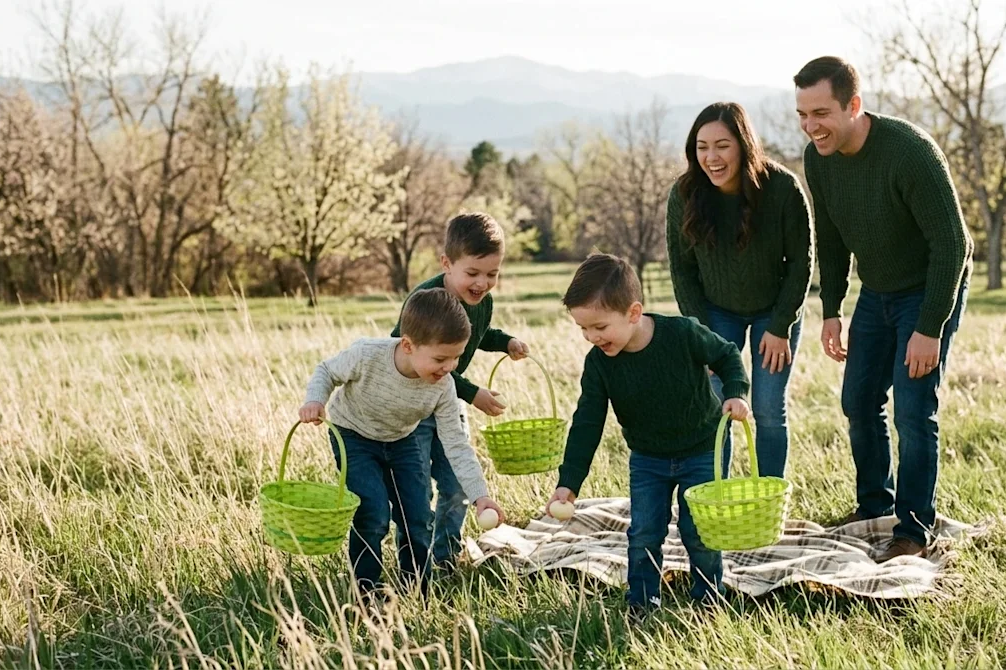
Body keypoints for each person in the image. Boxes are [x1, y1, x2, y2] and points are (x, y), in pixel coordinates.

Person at [794, 56, 973, 562]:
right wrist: (831, 309)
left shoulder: (910, 153)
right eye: (803, 114)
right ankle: (875, 505)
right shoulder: (817, 157)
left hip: (930, 285)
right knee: (858, 400)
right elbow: (829, 240)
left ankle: (914, 528)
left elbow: (952, 244)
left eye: (822, 113)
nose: (812, 127)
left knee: (914, 411)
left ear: (854, 105)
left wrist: (929, 327)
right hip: (876, 289)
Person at [543, 253, 750, 612]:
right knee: (643, 533)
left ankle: (709, 598)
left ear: (633, 313)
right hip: (648, 459)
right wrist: (569, 483)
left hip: (703, 449)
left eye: (600, 327)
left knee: (699, 531)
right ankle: (642, 602)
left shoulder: (682, 334)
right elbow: (587, 424)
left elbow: (727, 355)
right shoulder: (599, 365)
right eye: (583, 329)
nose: (592, 337)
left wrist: (734, 392)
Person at [299, 288, 505, 596]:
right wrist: (316, 400)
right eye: (440, 358)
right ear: (408, 345)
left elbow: (457, 445)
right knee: (373, 513)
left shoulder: (444, 387)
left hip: (401, 441)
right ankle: (367, 593)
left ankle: (417, 591)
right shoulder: (368, 354)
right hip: (354, 437)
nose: (449, 367)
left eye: (456, 358)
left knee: (418, 516)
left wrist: (480, 496)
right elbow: (327, 370)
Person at [666, 101, 814, 479]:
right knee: (718, 407)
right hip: (715, 312)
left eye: (722, 145)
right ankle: (721, 497)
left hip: (774, 310)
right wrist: (702, 334)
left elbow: (801, 261)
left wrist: (781, 325)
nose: (711, 157)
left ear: (744, 145)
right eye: (702, 147)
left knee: (766, 408)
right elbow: (683, 272)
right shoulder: (683, 195)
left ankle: (768, 498)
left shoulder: (782, 188)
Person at [390, 212, 529, 572]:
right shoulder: (424, 301)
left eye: (492, 274)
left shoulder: (481, 301)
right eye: (473, 273)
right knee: (416, 488)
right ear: (447, 264)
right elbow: (407, 356)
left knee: (456, 483)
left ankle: (446, 555)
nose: (483, 283)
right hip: (413, 406)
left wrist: (505, 342)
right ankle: (414, 563)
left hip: (447, 403)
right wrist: (474, 394)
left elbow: (476, 333)